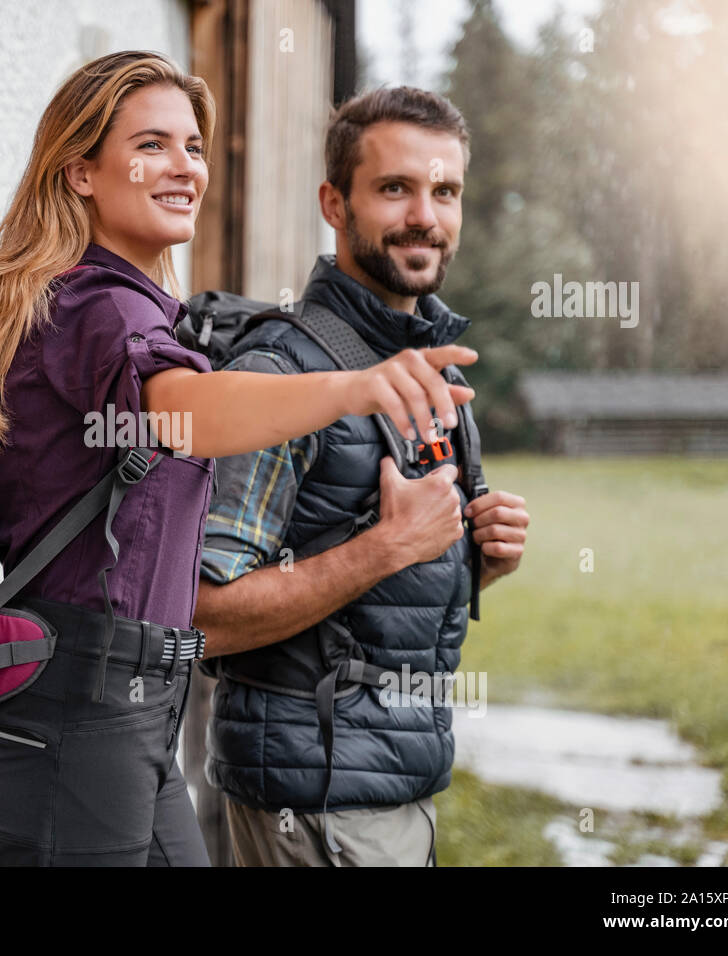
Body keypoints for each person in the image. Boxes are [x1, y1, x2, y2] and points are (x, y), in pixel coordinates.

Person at [0, 54, 477, 866]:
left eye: (192, 146)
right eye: (151, 145)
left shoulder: (133, 308)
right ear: (80, 172)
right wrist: (350, 387)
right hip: (77, 713)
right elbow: (188, 415)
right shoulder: (95, 306)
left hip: (119, 710)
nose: (184, 166)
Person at [194, 87, 530, 867]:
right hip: (318, 806)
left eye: (445, 191)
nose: (425, 215)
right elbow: (205, 616)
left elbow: (378, 590)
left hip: (390, 790)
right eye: (394, 189)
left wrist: (474, 558)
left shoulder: (426, 363)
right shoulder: (281, 376)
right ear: (334, 203)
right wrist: (389, 547)